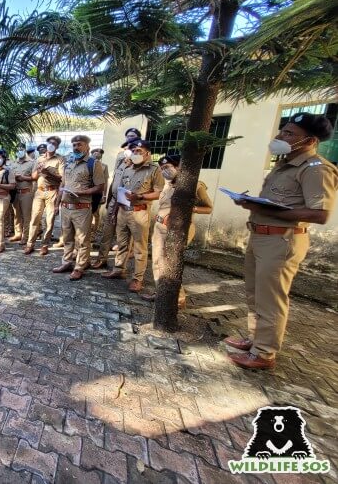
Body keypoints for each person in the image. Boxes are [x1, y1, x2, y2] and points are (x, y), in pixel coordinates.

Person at [225, 113, 338, 369]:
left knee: (271, 299)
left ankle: (264, 354)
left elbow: (320, 214)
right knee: (256, 294)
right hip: (262, 237)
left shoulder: (316, 170)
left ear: (309, 140)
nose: (279, 137)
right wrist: (254, 203)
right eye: (282, 131)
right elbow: (280, 202)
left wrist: (271, 211)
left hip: (282, 241)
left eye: (289, 134)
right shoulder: (284, 165)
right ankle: (255, 339)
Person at [140, 155, 213, 307]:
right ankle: (161, 292)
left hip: (178, 228)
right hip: (160, 227)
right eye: (162, 168)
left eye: (168, 167)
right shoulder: (167, 185)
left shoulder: (195, 185)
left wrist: (190, 208)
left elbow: (208, 208)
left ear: (179, 166)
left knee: (170, 264)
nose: (164, 170)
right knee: (157, 262)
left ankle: (178, 298)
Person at [103, 139, 164, 292]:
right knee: (122, 243)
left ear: (147, 154)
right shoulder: (127, 168)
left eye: (139, 151)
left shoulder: (154, 170)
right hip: (122, 211)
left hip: (139, 212)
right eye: (134, 151)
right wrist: (115, 210)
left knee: (139, 248)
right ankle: (119, 269)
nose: (136, 153)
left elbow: (160, 192)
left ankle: (138, 278)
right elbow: (120, 191)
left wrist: (141, 197)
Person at [52, 135, 106, 280]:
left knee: (82, 240)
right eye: (74, 145)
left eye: (79, 144)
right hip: (66, 207)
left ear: (87, 146)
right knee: (67, 238)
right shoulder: (69, 162)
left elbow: (100, 187)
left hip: (81, 208)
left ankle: (79, 267)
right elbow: (62, 184)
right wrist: (57, 203)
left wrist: (82, 192)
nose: (76, 147)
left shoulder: (93, 164)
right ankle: (67, 262)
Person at [24, 135, 64, 256]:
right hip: (39, 191)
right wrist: (39, 170)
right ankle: (30, 244)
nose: (52, 145)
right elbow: (34, 177)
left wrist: (49, 172)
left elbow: (62, 178)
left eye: (55, 143)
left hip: (52, 191)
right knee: (35, 218)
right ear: (47, 144)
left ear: (57, 146)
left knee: (49, 220)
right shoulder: (39, 159)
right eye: (50, 143)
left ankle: (44, 245)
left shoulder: (60, 159)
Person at [9, 143, 35, 245]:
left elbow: (34, 177)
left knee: (26, 216)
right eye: (18, 149)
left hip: (26, 193)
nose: (19, 151)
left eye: (21, 149)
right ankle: (18, 233)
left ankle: (26, 236)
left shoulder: (31, 163)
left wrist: (23, 178)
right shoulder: (13, 163)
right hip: (16, 192)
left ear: (25, 150)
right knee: (16, 215)